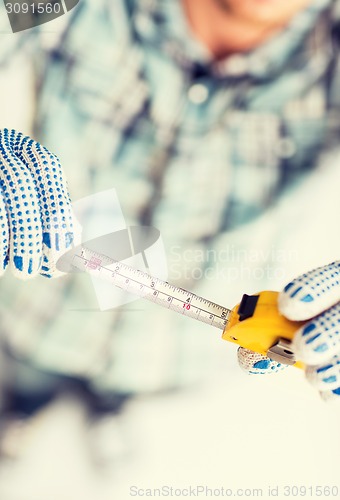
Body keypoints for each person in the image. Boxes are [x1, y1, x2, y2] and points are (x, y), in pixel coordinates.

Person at [0, 0, 340, 460]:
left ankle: (109, 407)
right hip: (41, 306)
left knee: (123, 391)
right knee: (29, 378)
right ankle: (21, 411)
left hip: (170, 350)